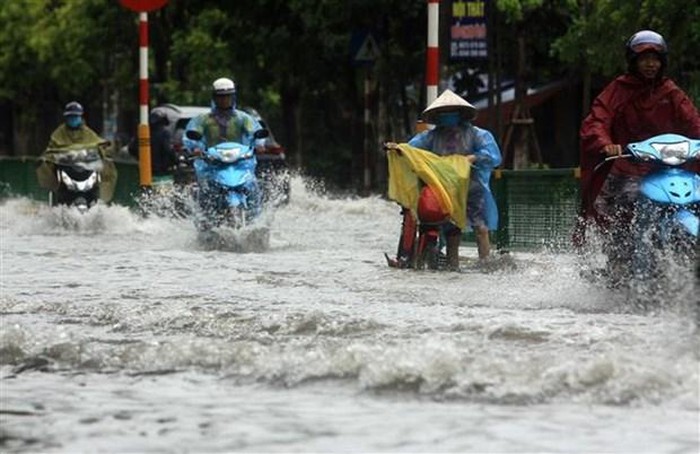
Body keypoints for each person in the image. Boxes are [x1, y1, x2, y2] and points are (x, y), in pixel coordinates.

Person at [577, 30, 700, 273]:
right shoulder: (618, 90)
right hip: (628, 166)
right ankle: (620, 260)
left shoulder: (671, 91)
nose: (650, 64)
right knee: (625, 208)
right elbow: (597, 121)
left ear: (662, 62)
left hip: (669, 168)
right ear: (633, 61)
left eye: (655, 58)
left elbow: (693, 121)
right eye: (644, 58)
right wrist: (605, 143)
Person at [395, 89, 502, 269]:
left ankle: (486, 267)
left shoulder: (477, 134)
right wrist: (397, 148)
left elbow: (492, 154)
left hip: (472, 188)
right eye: (443, 114)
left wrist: (472, 158)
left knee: (481, 229)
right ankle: (453, 268)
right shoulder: (432, 136)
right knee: (452, 232)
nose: (448, 118)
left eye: (451, 113)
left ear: (460, 114)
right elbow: (411, 148)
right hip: (446, 190)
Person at [37, 101, 118, 202]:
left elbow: (98, 143)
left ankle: (102, 200)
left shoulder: (87, 132)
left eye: (76, 116)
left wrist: (105, 152)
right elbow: (51, 149)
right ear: (66, 118)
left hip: (86, 168)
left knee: (106, 171)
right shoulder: (59, 133)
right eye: (70, 117)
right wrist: (46, 158)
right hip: (66, 168)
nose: (73, 119)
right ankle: (54, 193)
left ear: (81, 117)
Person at [183, 77, 264, 154]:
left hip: (239, 162)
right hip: (211, 163)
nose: (224, 100)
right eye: (221, 97)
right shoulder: (203, 119)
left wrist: (259, 145)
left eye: (228, 96)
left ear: (233, 98)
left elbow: (254, 131)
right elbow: (193, 133)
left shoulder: (243, 118)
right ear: (214, 98)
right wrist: (194, 148)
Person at [148, 109, 176, 178]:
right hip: (162, 169)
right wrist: (176, 159)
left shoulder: (144, 133)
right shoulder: (164, 133)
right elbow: (168, 149)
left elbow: (132, 148)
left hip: (146, 170)